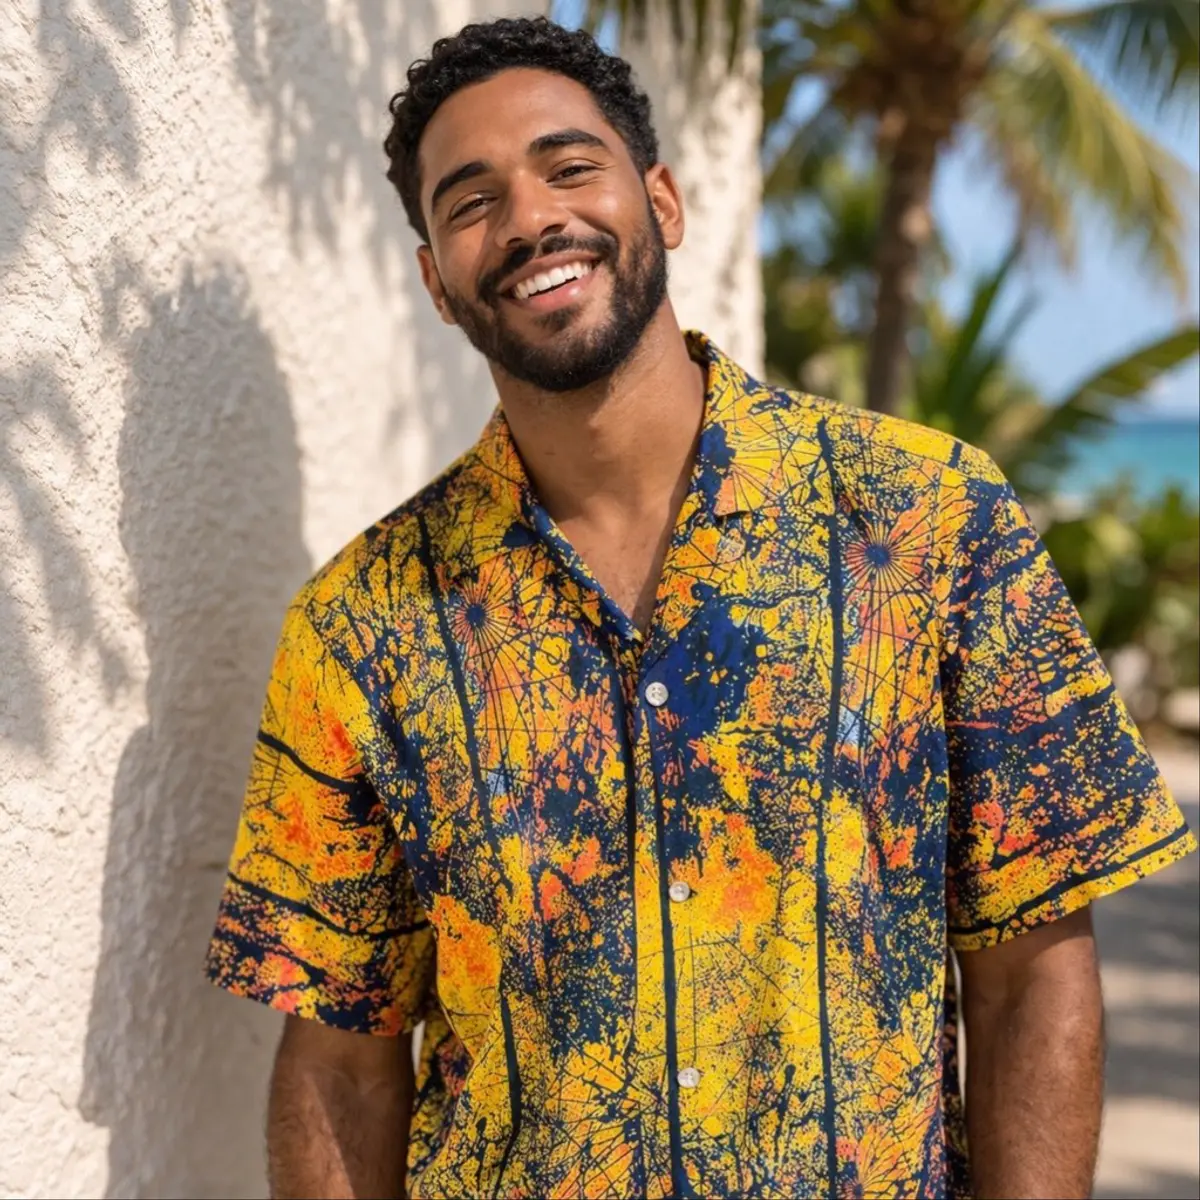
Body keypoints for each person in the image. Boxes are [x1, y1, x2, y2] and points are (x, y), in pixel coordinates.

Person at [204, 16, 1196, 1200]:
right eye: (470, 204)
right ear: (435, 278)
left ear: (661, 203)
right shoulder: (361, 629)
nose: (528, 220)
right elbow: (344, 1062)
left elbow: (1033, 965)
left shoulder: (929, 519)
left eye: (570, 168)